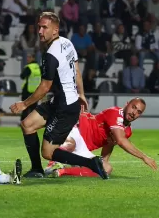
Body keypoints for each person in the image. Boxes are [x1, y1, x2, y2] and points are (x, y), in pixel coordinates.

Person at [10, 11, 108, 179]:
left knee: (48, 153)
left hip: (65, 107)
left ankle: (91, 163)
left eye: (44, 28)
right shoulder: (67, 43)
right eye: (39, 27)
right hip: (61, 101)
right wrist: (81, 94)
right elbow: (77, 70)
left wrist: (24, 104)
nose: (40, 31)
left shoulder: (50, 55)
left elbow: (45, 87)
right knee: (27, 124)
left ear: (55, 30)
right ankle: (36, 169)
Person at [45, 98, 157, 177]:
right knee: (70, 144)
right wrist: (144, 157)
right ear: (127, 104)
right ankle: (52, 165)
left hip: (83, 148)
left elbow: (109, 143)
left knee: (106, 169)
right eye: (133, 107)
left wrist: (103, 161)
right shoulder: (114, 113)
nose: (134, 113)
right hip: (76, 130)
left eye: (138, 112)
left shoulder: (127, 131)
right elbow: (120, 140)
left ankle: (62, 171)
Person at [20, 52, 41, 121]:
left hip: (27, 90)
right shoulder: (39, 67)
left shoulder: (29, 67)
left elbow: (22, 76)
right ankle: (32, 122)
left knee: (25, 107)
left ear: (33, 58)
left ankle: (23, 121)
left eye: (29, 57)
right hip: (36, 91)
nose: (27, 59)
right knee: (34, 108)